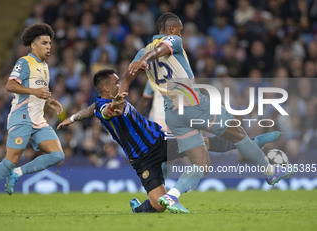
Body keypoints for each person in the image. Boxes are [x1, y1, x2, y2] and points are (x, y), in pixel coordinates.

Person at [118, 12, 292, 210]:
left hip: (172, 113)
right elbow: (161, 49)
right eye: (181, 31)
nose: (181, 36)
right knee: (238, 133)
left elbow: (126, 77)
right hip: (191, 102)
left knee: (201, 162)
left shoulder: (140, 53)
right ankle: (270, 172)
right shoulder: (171, 40)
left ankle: (173, 195)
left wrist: (119, 96)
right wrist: (148, 58)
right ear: (172, 30)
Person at [58, 69, 280, 214]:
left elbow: (89, 110)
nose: (121, 83)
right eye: (117, 82)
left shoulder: (108, 100)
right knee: (158, 205)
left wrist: (74, 117)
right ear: (106, 88)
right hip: (141, 159)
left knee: (202, 142)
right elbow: (105, 111)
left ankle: (249, 142)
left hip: (159, 141)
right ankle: (139, 209)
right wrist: (113, 104)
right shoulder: (107, 106)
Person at [0, 23, 65, 214]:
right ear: (33, 45)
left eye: (50, 43)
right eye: (44, 43)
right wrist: (34, 91)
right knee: (11, 159)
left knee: (58, 154)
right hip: (22, 117)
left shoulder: (44, 66)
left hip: (38, 119)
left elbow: (37, 92)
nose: (49, 46)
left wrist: (49, 100)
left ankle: (17, 174)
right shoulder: (24, 62)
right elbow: (10, 85)